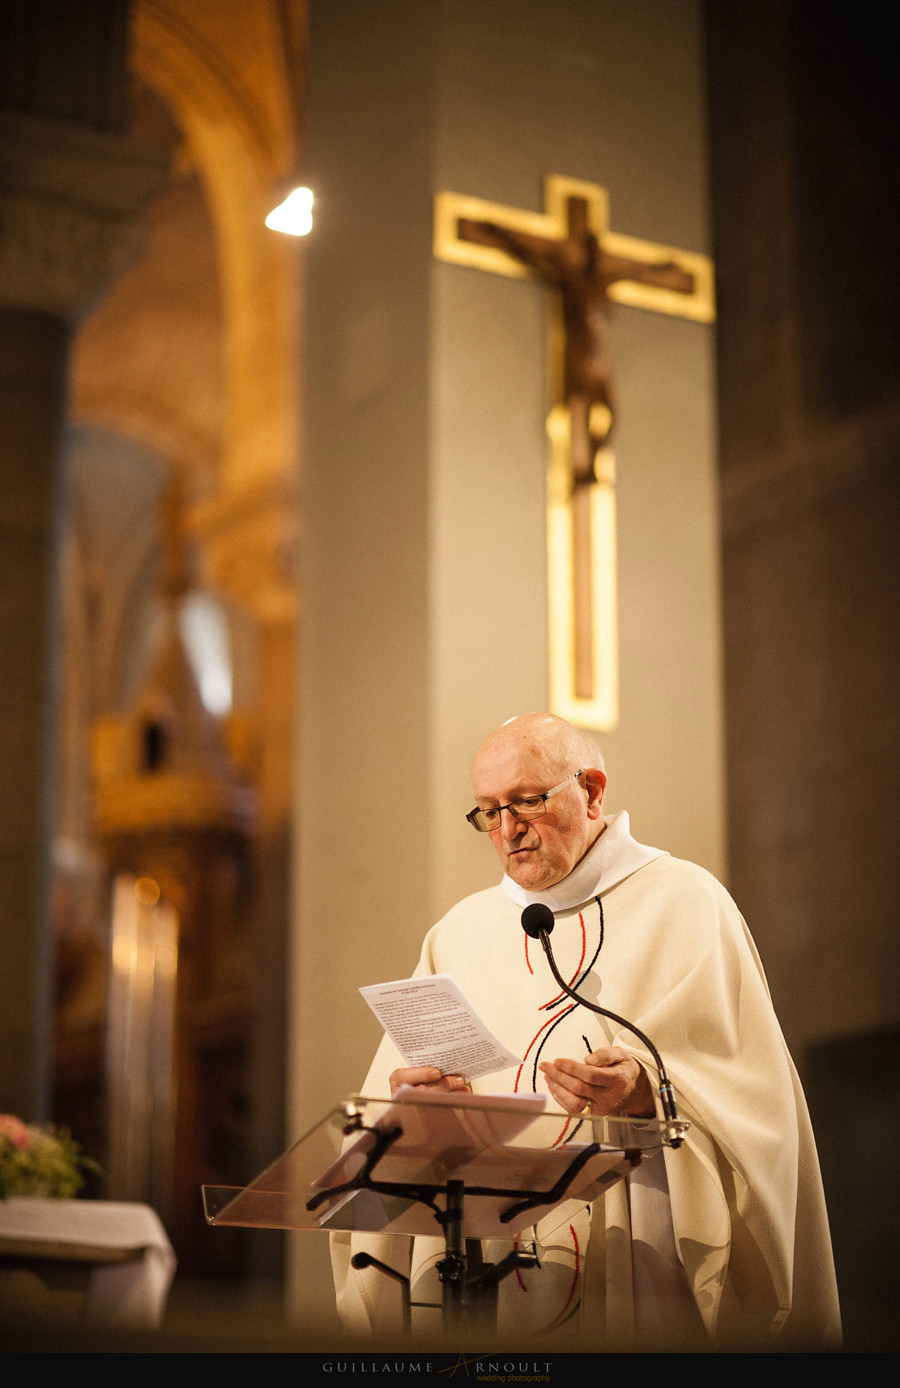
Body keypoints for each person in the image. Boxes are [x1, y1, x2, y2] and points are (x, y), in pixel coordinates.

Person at [332, 713, 840, 1348]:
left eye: (526, 801)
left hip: (638, 1257)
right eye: (488, 811)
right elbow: (386, 1118)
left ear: (593, 790)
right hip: (481, 1274)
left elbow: (757, 1106)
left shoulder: (685, 903)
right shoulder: (459, 934)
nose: (508, 829)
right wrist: (417, 1113)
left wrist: (649, 1093)